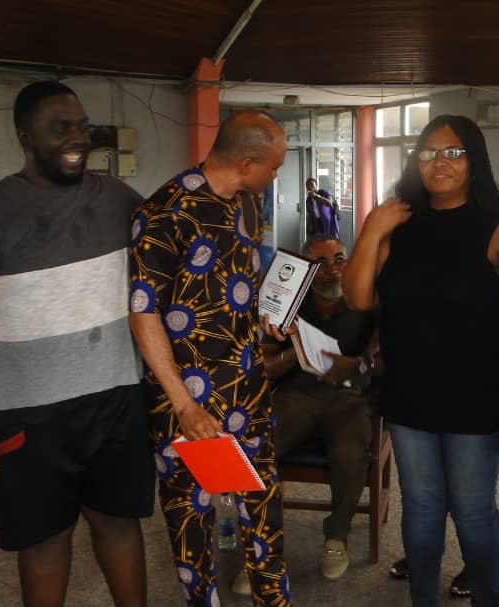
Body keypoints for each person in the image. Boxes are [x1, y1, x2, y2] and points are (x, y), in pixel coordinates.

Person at [0, 81, 154, 607]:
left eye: (81, 127)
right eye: (59, 129)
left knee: (120, 525)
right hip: (25, 416)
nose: (76, 138)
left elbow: (168, 256)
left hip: (116, 400)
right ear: (25, 137)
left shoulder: (118, 199)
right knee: (44, 542)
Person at [343, 114, 499, 607]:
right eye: (428, 153)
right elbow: (358, 298)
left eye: (453, 152)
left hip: (477, 398)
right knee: (421, 507)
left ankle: (488, 599)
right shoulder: (397, 224)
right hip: (410, 393)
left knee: (472, 510)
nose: (439, 163)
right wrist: (372, 228)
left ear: (474, 161)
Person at [128, 110, 293, 607]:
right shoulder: (164, 213)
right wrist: (184, 405)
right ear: (247, 163)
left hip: (248, 388)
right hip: (187, 404)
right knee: (191, 524)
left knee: (263, 515)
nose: (276, 176)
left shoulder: (249, 203)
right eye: (273, 167)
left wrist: (266, 316)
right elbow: (143, 313)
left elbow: (233, 285)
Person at [265, 235, 377, 582]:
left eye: (339, 259)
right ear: (305, 269)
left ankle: (336, 537)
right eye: (321, 262)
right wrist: (293, 351)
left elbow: (383, 361)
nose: (332, 269)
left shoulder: (366, 301)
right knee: (259, 445)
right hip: (297, 394)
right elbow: (264, 368)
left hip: (348, 397)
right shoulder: (287, 304)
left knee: (349, 452)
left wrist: (356, 366)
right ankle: (262, 543)